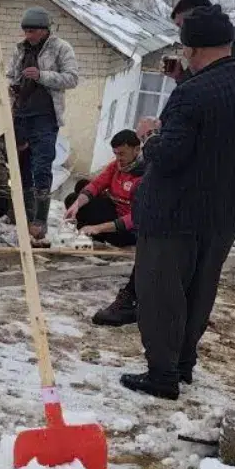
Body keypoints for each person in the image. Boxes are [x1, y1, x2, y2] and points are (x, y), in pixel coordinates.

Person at [123, 4, 235, 401]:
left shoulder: (192, 94)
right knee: (200, 290)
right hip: (224, 211)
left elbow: (172, 154)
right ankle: (184, 364)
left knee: (161, 292)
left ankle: (162, 375)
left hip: (174, 212)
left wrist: (148, 137)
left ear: (191, 49)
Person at [6, 6, 79, 243]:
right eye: (26, 31)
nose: (29, 35)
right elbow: (10, 74)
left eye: (33, 31)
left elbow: (72, 78)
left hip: (45, 117)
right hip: (21, 114)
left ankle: (39, 220)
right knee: (21, 166)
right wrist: (13, 86)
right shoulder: (20, 49)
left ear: (45, 30)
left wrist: (41, 75)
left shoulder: (61, 48)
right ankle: (23, 215)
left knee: (41, 168)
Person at [66, 130, 145, 327]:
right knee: (76, 196)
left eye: (122, 154)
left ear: (137, 149)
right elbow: (96, 185)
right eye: (115, 153)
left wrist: (98, 228)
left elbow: (137, 218)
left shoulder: (145, 175)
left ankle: (95, 235)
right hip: (116, 213)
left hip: (130, 229)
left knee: (96, 217)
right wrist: (76, 205)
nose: (118, 158)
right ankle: (89, 237)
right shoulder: (116, 166)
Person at [164, 0, 235, 82]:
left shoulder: (226, 54)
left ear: (197, 20)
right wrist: (180, 76)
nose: (180, 33)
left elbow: (207, 93)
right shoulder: (228, 47)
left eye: (181, 26)